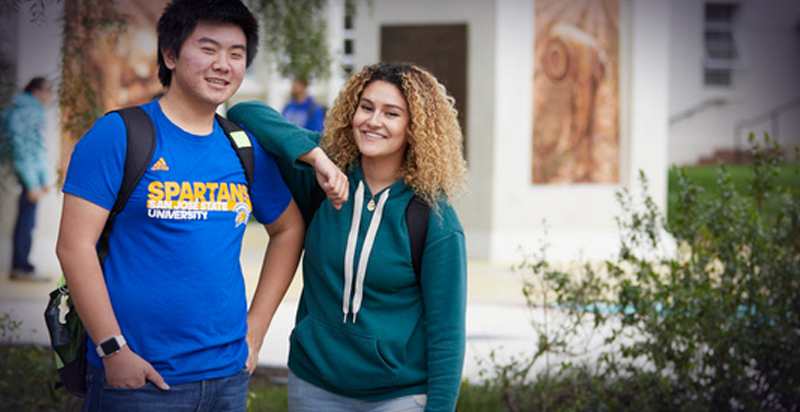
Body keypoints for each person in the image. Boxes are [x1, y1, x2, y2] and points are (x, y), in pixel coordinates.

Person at [55, 0, 304, 410]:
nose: (223, 64)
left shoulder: (242, 147)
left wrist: (256, 330)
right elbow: (73, 246)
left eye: (236, 53)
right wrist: (112, 349)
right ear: (169, 55)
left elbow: (289, 229)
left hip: (227, 378)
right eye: (208, 49)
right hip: (139, 379)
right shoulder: (119, 134)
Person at [229, 62, 468, 412]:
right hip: (314, 385)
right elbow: (244, 112)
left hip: (399, 396)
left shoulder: (433, 220)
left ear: (415, 128)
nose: (373, 121)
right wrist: (315, 157)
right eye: (366, 107)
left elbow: (447, 334)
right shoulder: (323, 178)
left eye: (391, 113)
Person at [5, 76, 54, 282]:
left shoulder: (26, 109)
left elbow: (35, 147)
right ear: (37, 90)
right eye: (48, 90)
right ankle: (21, 267)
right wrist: (33, 182)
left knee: (27, 220)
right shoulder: (29, 110)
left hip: (30, 175)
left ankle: (22, 265)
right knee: (26, 222)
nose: (50, 95)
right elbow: (24, 148)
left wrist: (42, 179)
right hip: (28, 177)